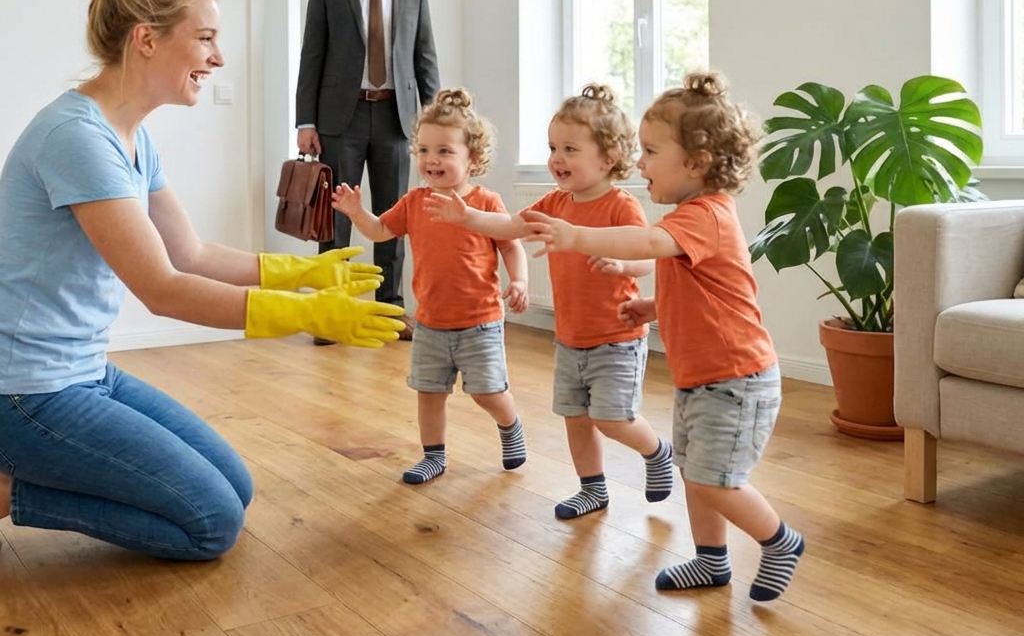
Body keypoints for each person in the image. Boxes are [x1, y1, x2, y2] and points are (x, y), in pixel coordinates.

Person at [0, 0, 404, 562]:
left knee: (235, 487)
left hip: (86, 372)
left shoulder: (131, 136)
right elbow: (163, 290)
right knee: (211, 524)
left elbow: (188, 254)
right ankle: (11, 491)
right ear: (147, 39)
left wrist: (302, 272)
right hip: (27, 391)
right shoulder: (76, 138)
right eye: (206, 38)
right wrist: (304, 314)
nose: (218, 58)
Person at [523, 73, 804, 602]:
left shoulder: (705, 215)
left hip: (737, 379)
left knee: (715, 480)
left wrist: (576, 235)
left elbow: (649, 243)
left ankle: (779, 541)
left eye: (651, 152)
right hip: (702, 377)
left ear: (696, 162)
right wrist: (654, 306)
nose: (640, 163)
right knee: (696, 475)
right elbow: (707, 289)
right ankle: (711, 561)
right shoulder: (689, 218)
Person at [426, 84, 674, 520]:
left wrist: (621, 263)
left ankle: (656, 451)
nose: (557, 158)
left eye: (570, 149)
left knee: (612, 419)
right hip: (570, 337)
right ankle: (592, 489)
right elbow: (509, 226)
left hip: (616, 337)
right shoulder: (554, 202)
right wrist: (468, 216)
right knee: (575, 417)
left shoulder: (621, 206)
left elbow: (647, 259)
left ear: (609, 157)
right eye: (553, 148)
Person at [332, 88, 529, 485]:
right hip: (431, 323)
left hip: (480, 321)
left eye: (444, 151)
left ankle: (510, 425)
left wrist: (520, 280)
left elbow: (510, 244)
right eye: (423, 150)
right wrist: (356, 212)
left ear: (473, 158)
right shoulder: (414, 201)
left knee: (487, 392)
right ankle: (433, 455)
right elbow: (381, 230)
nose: (431, 159)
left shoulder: (485, 203)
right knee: (429, 392)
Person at [295, 0, 440, 342]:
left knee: (394, 218)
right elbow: (312, 56)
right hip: (342, 117)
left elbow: (425, 58)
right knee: (335, 219)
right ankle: (332, 313)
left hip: (398, 118)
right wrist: (305, 122)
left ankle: (391, 311)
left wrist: (436, 123)